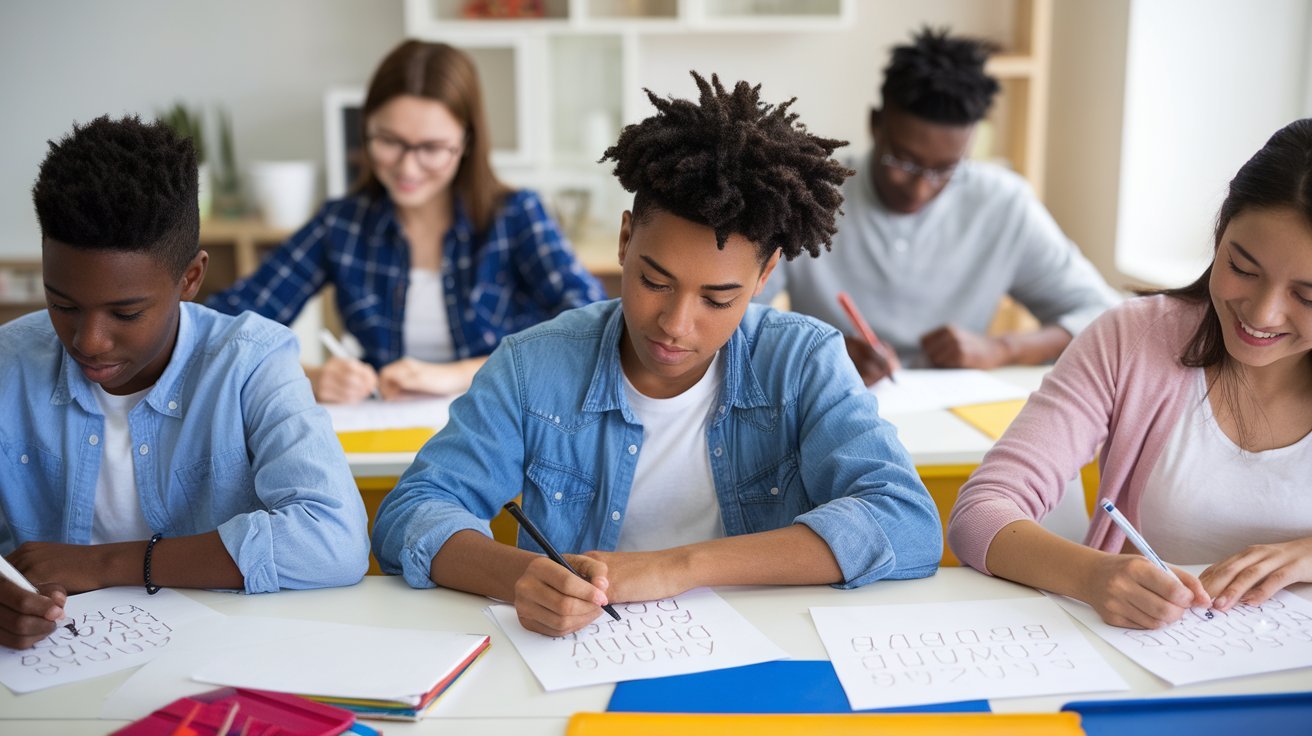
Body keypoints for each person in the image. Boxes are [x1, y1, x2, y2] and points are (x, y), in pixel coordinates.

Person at [372, 72, 942, 637]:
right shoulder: (533, 366)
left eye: (719, 299)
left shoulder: (802, 360)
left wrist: (678, 567)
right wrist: (523, 575)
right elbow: (411, 512)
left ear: (765, 275)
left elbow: (907, 522)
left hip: (762, 651)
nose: (675, 324)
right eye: (654, 281)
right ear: (625, 241)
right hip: (580, 655)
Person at [0, 115, 370, 650]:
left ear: (190, 279)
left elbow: (332, 540)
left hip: (219, 662)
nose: (89, 340)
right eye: (62, 304)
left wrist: (107, 563)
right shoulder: (9, 362)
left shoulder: (251, 362)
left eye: (125, 314)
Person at [947, 118, 1312, 630]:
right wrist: (1092, 576)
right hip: (1148, 667)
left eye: (1306, 296)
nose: (1263, 313)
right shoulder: (1134, 339)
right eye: (1244, 269)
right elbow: (980, 514)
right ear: (1219, 232)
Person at [210, 40, 606, 403]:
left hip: (501, 426)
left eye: (431, 148)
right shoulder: (341, 225)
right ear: (366, 129)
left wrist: (459, 374)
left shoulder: (516, 215)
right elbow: (222, 327)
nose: (407, 167)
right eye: (389, 141)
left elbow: (594, 323)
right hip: (385, 435)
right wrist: (307, 377)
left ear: (466, 143)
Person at [774, 27, 1119, 383]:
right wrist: (817, 349)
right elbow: (737, 317)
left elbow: (1103, 316)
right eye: (903, 162)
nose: (921, 188)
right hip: (826, 401)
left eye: (945, 170)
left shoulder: (1002, 204)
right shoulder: (809, 193)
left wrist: (1001, 349)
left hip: (955, 417)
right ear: (876, 124)